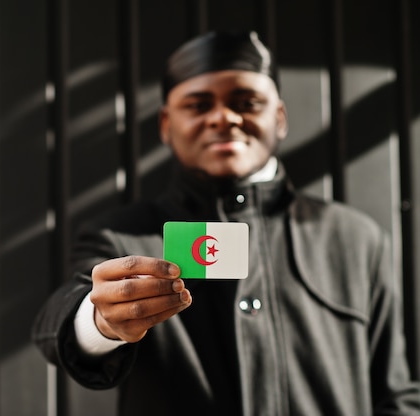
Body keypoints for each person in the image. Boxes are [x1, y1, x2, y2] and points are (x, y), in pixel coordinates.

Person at [31, 31, 420, 415]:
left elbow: (395, 392)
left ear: (280, 117)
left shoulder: (356, 238)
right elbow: (61, 317)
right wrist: (100, 320)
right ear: (166, 125)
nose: (224, 117)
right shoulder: (119, 237)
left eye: (246, 102)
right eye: (199, 105)